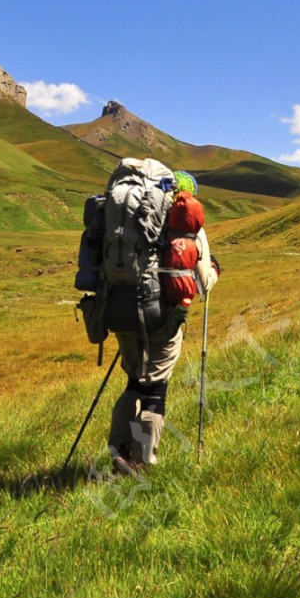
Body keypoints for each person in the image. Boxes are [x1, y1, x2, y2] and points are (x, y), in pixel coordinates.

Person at [108, 168, 217, 473]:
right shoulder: (186, 224)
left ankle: (118, 451)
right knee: (155, 387)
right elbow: (204, 282)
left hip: (123, 310)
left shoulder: (132, 219)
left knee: (133, 381)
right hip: (162, 317)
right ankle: (142, 463)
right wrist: (214, 268)